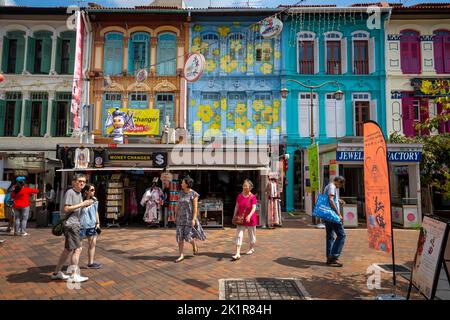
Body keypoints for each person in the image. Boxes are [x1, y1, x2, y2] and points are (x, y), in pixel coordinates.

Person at [51, 174, 93, 282]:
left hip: (73, 224)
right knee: (77, 249)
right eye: (79, 181)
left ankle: (56, 273)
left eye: (84, 181)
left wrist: (85, 204)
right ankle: (74, 275)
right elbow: (66, 208)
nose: (82, 183)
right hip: (71, 224)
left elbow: (77, 209)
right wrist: (82, 204)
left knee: (68, 249)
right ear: (74, 182)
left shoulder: (78, 193)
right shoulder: (71, 192)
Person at [174, 176, 206, 263]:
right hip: (180, 218)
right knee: (180, 236)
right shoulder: (180, 193)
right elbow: (177, 205)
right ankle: (181, 255)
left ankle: (193, 244)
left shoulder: (194, 194)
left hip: (189, 218)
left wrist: (193, 219)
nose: (181, 184)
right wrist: (175, 214)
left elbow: (195, 208)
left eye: (183, 182)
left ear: (187, 184)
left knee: (188, 236)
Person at [232, 179, 258, 261]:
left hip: (250, 219)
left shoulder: (253, 197)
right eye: (243, 185)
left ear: (250, 188)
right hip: (241, 219)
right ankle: (237, 253)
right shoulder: (239, 196)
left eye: (246, 186)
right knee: (239, 235)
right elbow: (236, 206)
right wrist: (234, 215)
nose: (244, 187)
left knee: (252, 236)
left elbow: (254, 208)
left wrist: (249, 215)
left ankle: (251, 248)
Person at [324, 176, 346, 267]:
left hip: (327, 215)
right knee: (342, 235)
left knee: (330, 236)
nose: (340, 186)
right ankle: (334, 256)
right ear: (338, 181)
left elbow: (331, 199)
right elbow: (330, 199)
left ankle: (329, 257)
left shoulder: (328, 186)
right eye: (341, 184)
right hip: (332, 215)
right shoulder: (332, 187)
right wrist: (338, 214)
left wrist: (339, 200)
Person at [80, 183, 102, 269]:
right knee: (78, 247)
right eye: (92, 190)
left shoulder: (95, 200)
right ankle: (74, 265)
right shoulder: (81, 200)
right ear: (86, 191)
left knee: (92, 243)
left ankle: (91, 263)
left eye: (94, 190)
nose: (94, 191)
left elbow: (96, 211)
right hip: (82, 225)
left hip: (92, 225)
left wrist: (98, 223)